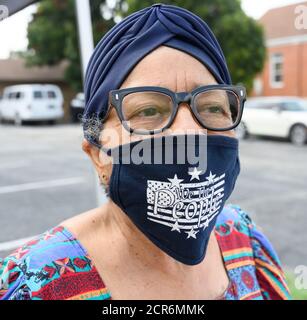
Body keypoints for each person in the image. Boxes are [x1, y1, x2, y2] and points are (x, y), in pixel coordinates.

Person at [0, 4, 291, 300]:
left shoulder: (243, 237)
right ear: (97, 155)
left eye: (213, 106)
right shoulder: (35, 283)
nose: (190, 133)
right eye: (148, 110)